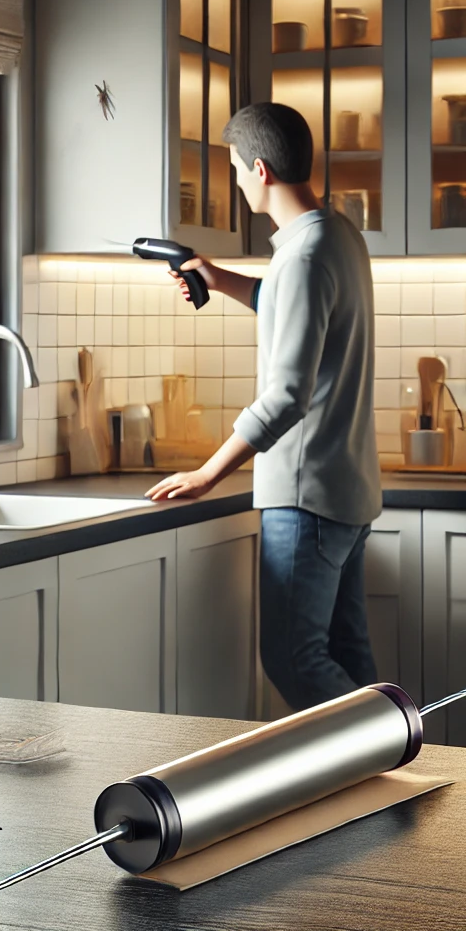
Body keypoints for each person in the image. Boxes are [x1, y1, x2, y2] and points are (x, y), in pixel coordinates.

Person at [146, 102, 382, 711]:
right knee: (348, 657)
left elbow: (285, 398)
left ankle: (394, 755)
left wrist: (207, 473)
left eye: (234, 169)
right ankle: (395, 780)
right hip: (348, 490)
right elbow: (295, 304)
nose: (236, 180)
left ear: (260, 168)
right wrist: (223, 279)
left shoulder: (301, 256)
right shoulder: (334, 236)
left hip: (305, 496)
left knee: (293, 658)